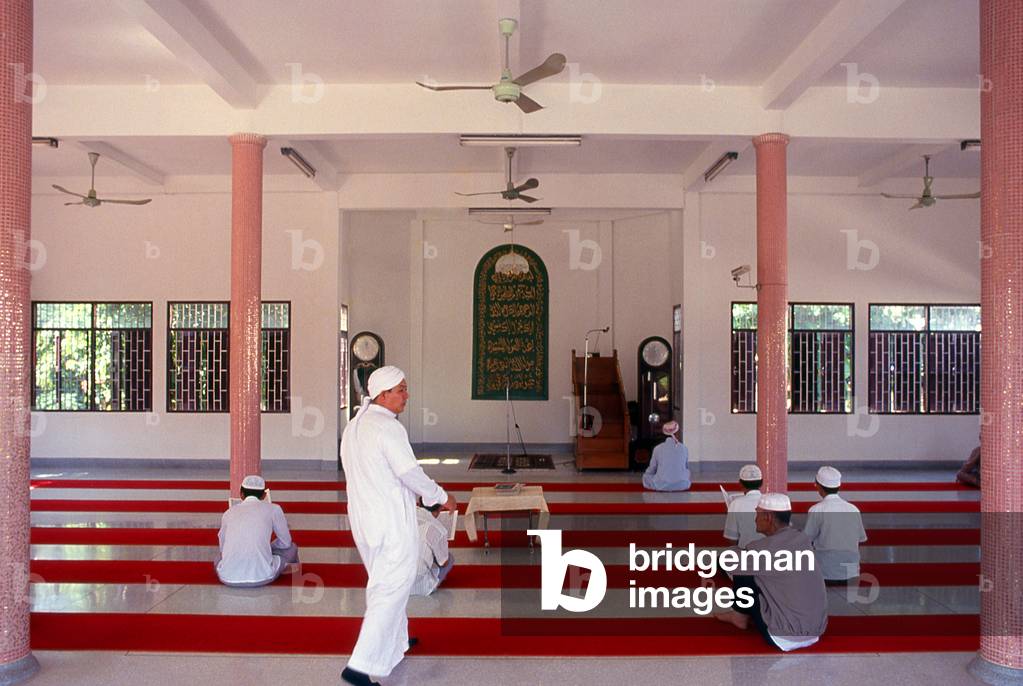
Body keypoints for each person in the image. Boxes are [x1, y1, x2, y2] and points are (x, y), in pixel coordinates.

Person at [340, 366, 457, 686]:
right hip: (390, 521)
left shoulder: (355, 426)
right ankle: (359, 667)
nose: (406, 395)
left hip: (364, 521)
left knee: (388, 581)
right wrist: (441, 497)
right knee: (390, 587)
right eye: (401, 390)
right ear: (383, 394)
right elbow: (410, 473)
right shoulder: (388, 428)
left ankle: (397, 643)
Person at [716, 493, 828, 652]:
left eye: (756, 514)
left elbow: (728, 562)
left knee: (743, 571)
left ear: (768, 517)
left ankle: (739, 616)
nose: (755, 519)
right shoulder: (802, 539)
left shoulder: (762, 549)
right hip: (816, 631)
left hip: (782, 637)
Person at [215, 474, 299, 587]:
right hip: (262, 576)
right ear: (264, 495)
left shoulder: (229, 512)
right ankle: (286, 569)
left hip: (227, 577)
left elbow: (222, 546)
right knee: (292, 548)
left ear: (241, 494)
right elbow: (286, 542)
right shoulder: (274, 509)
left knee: (218, 558)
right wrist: (270, 547)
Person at [802, 466, 867, 583]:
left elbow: (806, 539)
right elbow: (861, 538)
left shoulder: (817, 510)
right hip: (851, 571)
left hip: (826, 570)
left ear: (818, 486)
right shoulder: (853, 509)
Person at [411, 499, 455, 596]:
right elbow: (444, 563)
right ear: (441, 508)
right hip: (418, 585)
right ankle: (433, 581)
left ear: (419, 503)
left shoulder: (404, 514)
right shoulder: (439, 529)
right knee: (449, 558)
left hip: (392, 582)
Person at [723, 464, 765, 548]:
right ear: (762, 483)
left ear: (740, 484)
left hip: (745, 554)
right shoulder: (768, 502)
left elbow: (732, 539)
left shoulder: (735, 504)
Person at [642, 421, 691, 491]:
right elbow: (686, 468)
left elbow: (652, 468)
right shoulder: (684, 448)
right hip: (683, 485)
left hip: (661, 485)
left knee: (646, 477)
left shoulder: (658, 448)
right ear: (676, 433)